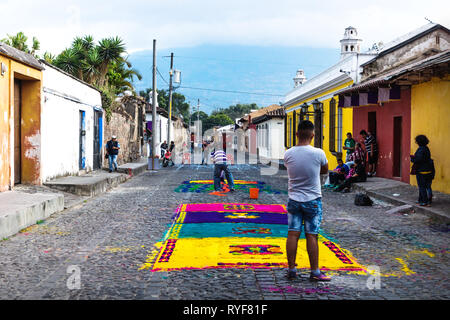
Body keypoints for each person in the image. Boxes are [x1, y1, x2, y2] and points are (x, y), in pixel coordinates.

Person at [284, 120, 330, 281]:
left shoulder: (288, 154)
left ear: (296, 134)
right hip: (313, 199)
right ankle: (315, 272)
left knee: (292, 234)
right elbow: (324, 170)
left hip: (294, 199)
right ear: (313, 135)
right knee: (312, 235)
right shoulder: (319, 153)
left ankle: (291, 269)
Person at [411, 135, 434, 206]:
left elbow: (418, 159)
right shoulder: (427, 148)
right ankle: (427, 201)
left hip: (421, 171)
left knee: (422, 186)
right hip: (429, 170)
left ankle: (424, 201)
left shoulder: (421, 149)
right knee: (428, 186)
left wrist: (412, 159)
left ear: (418, 142)